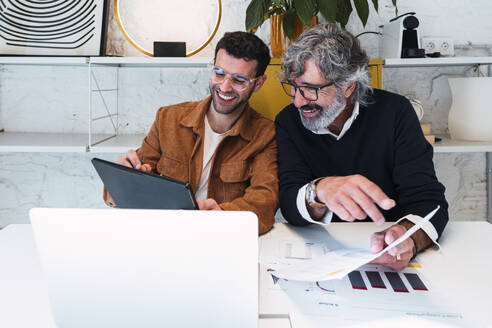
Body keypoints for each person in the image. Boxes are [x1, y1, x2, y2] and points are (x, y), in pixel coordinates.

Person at [275, 23, 448, 270]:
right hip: (322, 258)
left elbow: (429, 201)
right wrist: (319, 190)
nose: (299, 101)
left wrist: (407, 237)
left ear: (348, 86)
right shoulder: (288, 121)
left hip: (383, 258)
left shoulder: (395, 113)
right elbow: (289, 201)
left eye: (311, 89)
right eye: (293, 87)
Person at [103, 31, 278, 234]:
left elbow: (265, 201)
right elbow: (132, 184)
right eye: (219, 73)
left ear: (258, 83)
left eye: (239, 80)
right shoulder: (167, 118)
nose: (225, 87)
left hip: (219, 237)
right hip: (165, 234)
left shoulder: (265, 134)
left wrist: (222, 214)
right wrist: (124, 177)